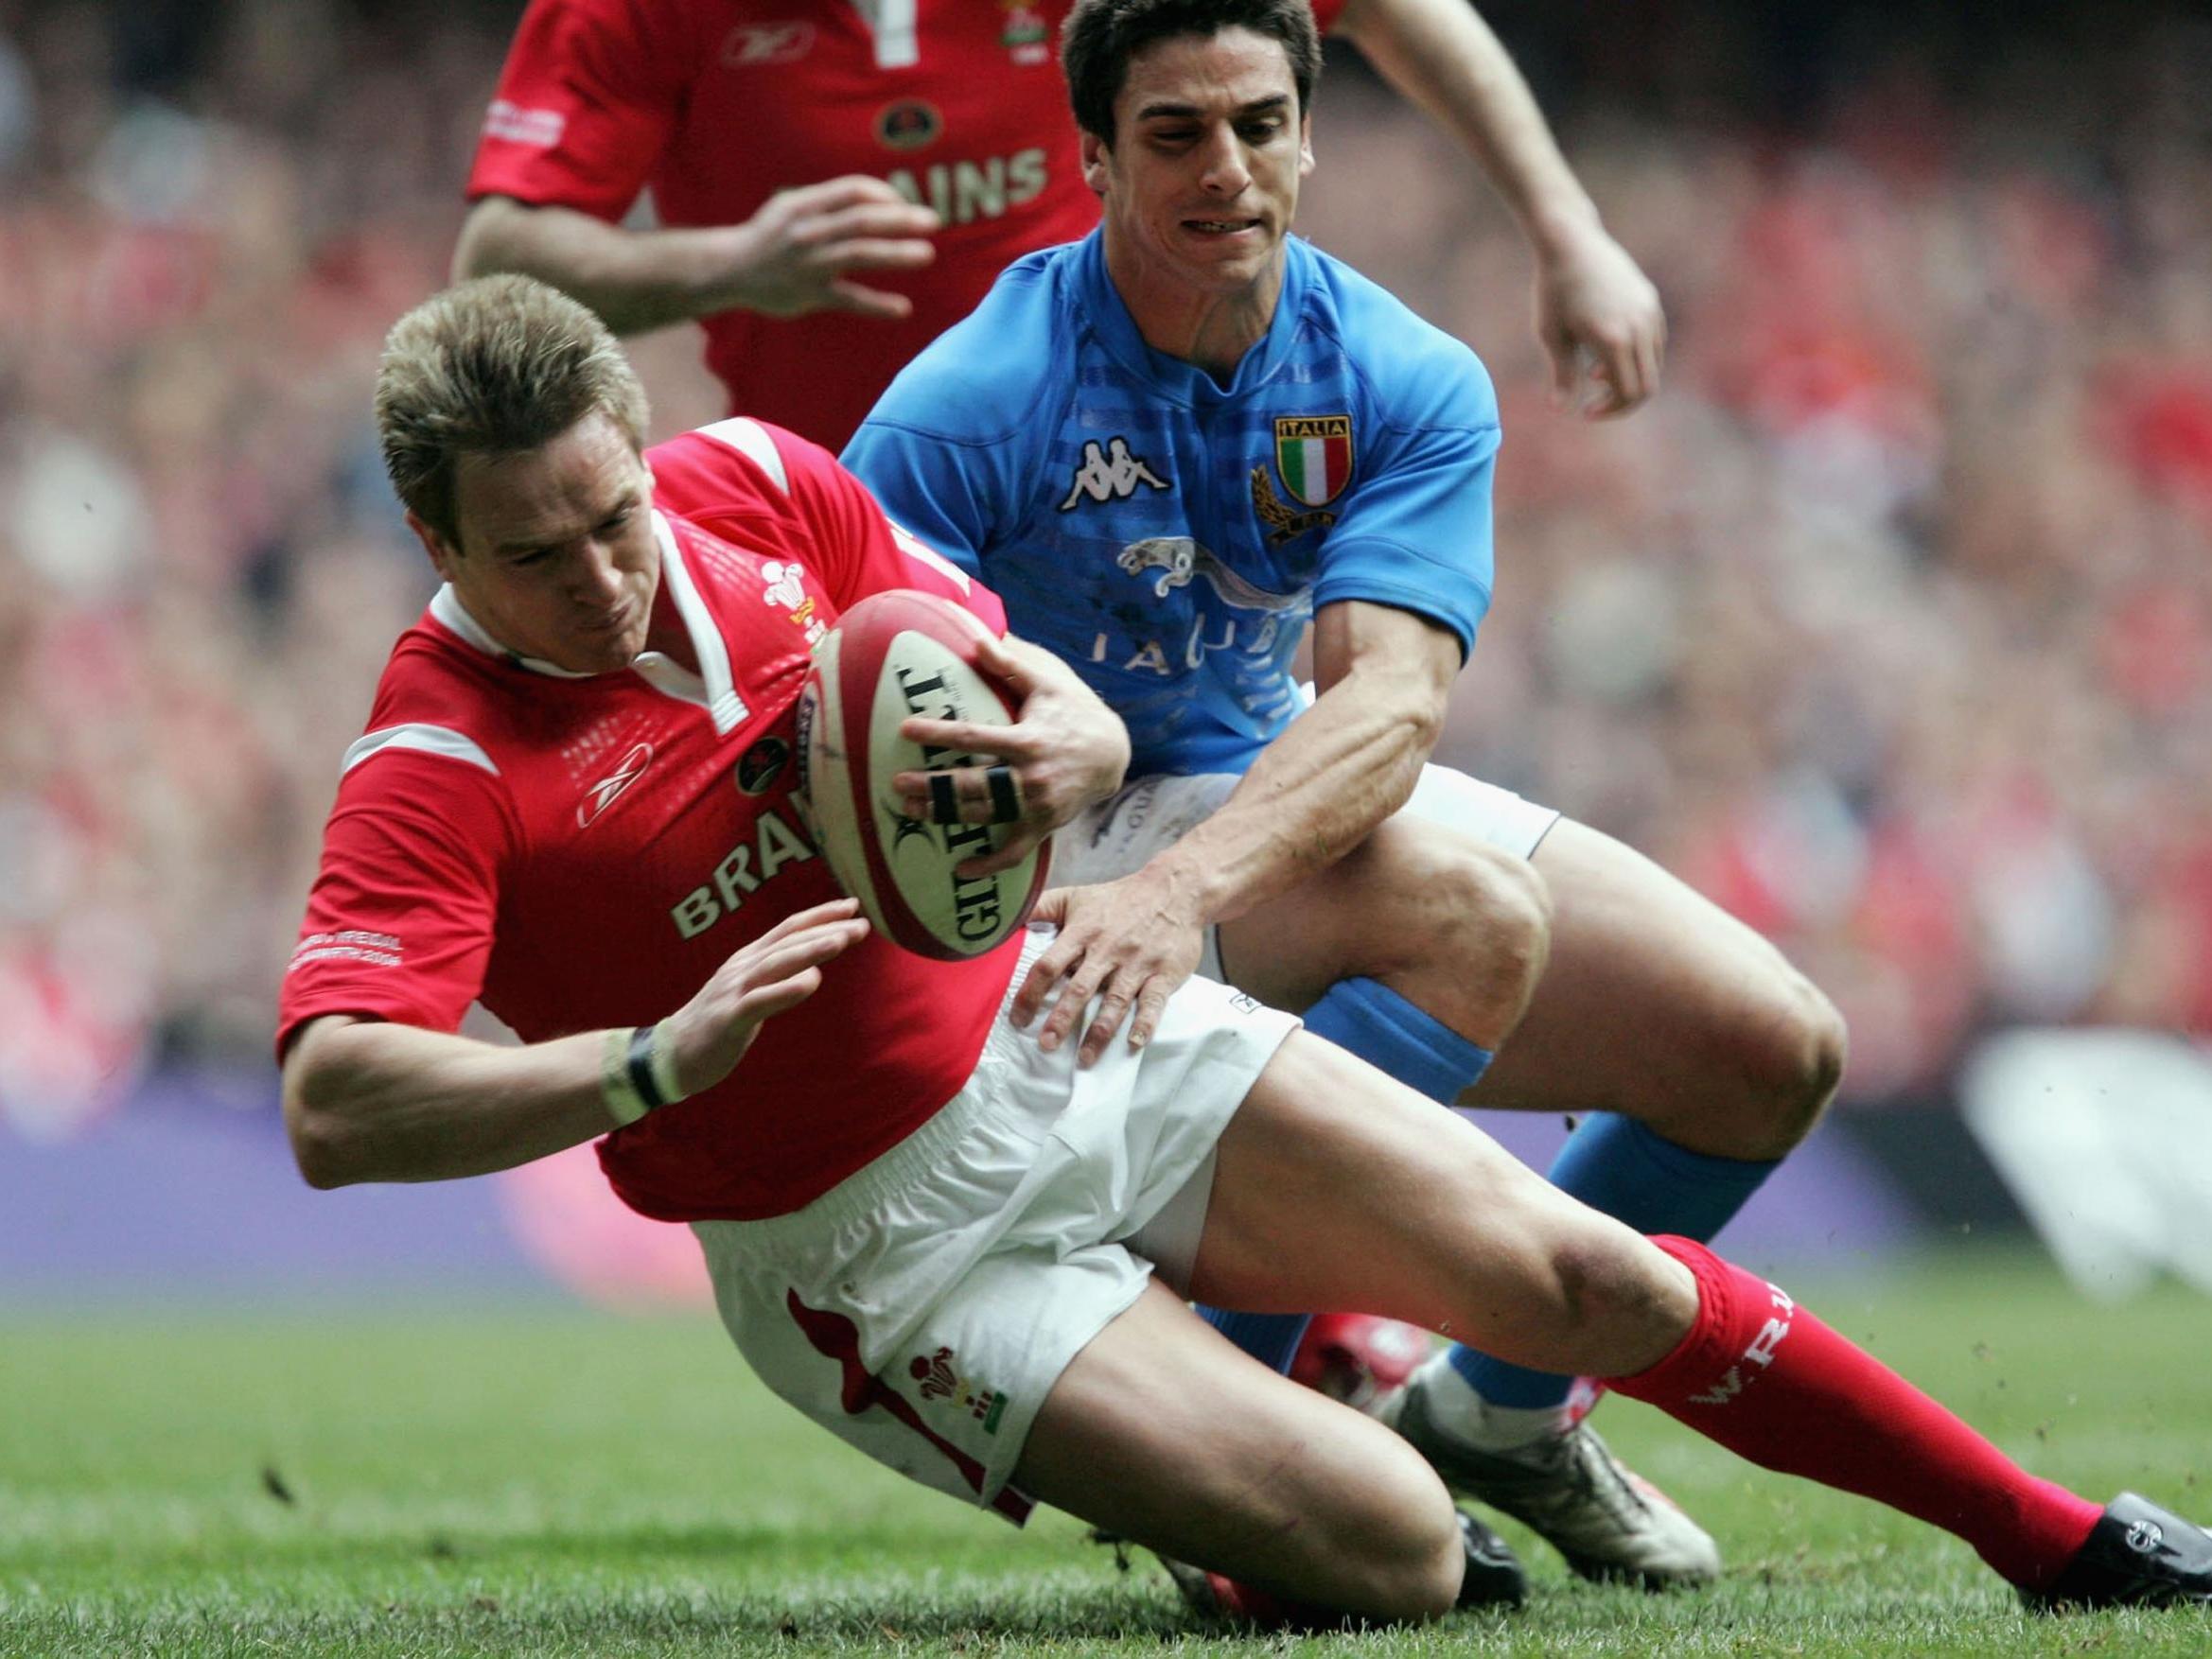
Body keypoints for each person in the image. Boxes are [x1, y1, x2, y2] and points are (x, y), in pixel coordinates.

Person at [277, 272, 2212, 1628]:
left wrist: (1071, 731)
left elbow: (972, 640)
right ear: (437, 544)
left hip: (1049, 1026)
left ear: (640, 444)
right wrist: (633, 1067)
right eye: (536, 555)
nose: (604, 573)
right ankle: (1255, 1495)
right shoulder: (436, 756)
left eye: (610, 512)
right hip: (875, 1246)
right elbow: (335, 1101)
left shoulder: (751, 484)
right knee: (1390, 1550)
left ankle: (2049, 1539)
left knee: (1574, 1271)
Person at [840, 0, 1845, 1588]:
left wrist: (1188, 890)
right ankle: (1227, 1418)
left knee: (1765, 1044)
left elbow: (1385, 708)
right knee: (1451, 907)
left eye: (1255, 123)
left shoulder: (1399, 369)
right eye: (1173, 131)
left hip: (1242, 807)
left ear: (1308, 136)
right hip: (1054, 857)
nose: (1223, 166)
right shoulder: (965, 403)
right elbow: (870, 739)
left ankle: (1498, 1411)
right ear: (1093, 158)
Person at [452, 0, 1665, 452]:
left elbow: (1392, 11)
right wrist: (734, 264)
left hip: (1133, 493)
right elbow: (494, 262)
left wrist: (1567, 229)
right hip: (850, 533)